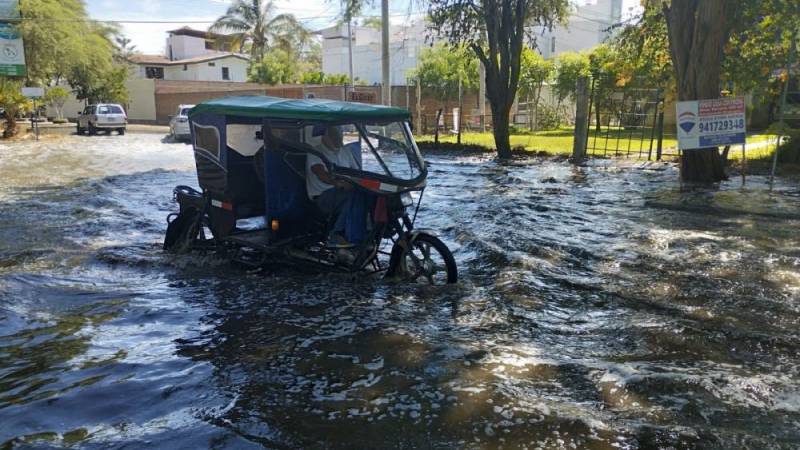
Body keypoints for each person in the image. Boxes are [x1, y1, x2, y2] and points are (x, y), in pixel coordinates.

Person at [305, 126, 360, 247]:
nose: (338, 139)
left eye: (339, 135)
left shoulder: (346, 151)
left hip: (343, 191)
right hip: (322, 196)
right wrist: (338, 183)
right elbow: (320, 173)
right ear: (325, 136)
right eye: (335, 136)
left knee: (369, 195)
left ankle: (364, 233)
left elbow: (357, 172)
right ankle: (336, 234)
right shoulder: (315, 152)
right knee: (353, 197)